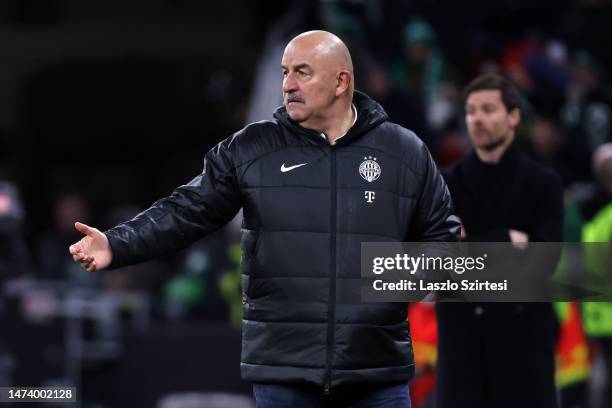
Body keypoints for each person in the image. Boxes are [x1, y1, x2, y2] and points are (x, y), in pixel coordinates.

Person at [69, 30, 459, 407]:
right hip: (285, 373)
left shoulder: (403, 151)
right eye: (285, 72)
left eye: (302, 72)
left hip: (377, 374)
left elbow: (442, 237)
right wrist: (115, 243)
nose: (288, 84)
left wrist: (392, 288)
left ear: (342, 81)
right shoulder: (251, 149)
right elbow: (185, 211)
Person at [437, 73, 563, 408]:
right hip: (463, 350)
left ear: (513, 117)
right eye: (471, 110)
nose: (476, 119)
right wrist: (506, 240)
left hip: (522, 352)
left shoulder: (543, 184)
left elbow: (543, 265)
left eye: (488, 109)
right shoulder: (444, 185)